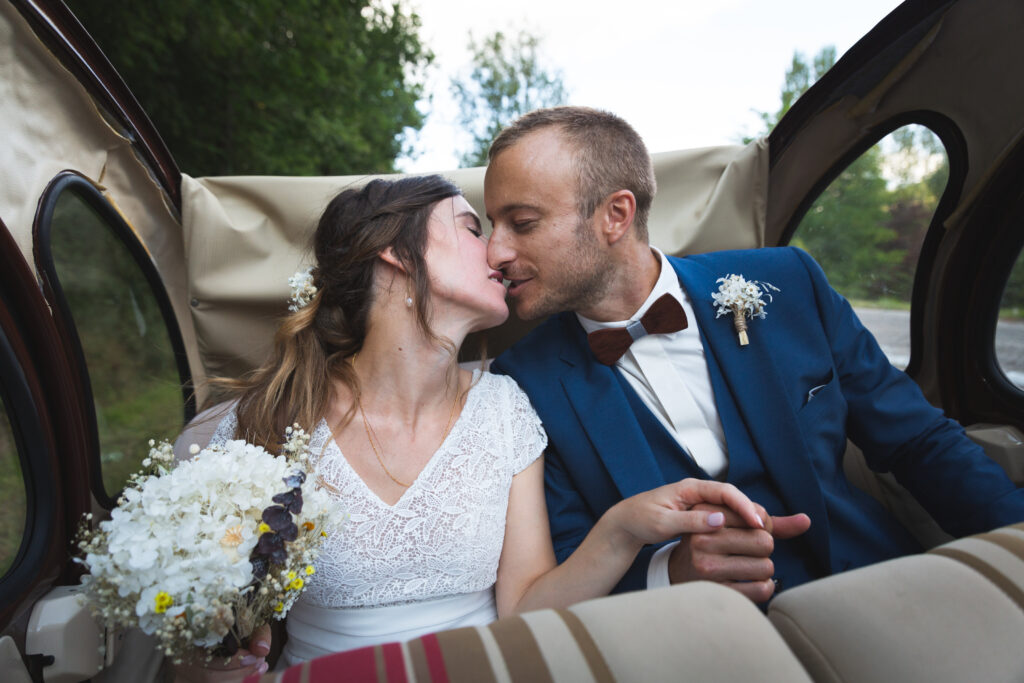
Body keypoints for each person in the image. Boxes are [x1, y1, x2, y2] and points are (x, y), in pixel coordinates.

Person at [172, 175, 763, 681]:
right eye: (472, 227)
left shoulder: (505, 409)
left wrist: (623, 528)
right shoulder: (265, 421)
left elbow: (523, 610)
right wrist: (221, 659)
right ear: (395, 254)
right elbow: (203, 634)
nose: (499, 254)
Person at [484, 105, 1024, 604]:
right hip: (700, 641)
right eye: (491, 227)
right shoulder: (522, 381)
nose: (495, 252)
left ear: (615, 215)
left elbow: (917, 442)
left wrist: (1015, 542)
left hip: (877, 585)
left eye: (522, 223)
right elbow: (573, 557)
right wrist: (669, 574)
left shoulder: (787, 283)